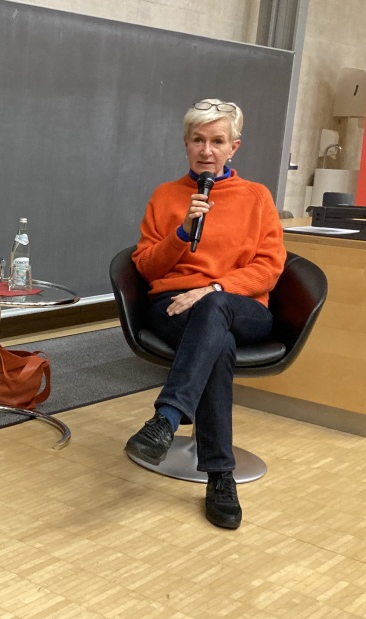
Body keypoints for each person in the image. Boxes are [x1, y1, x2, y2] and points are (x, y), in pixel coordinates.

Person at [124, 99, 286, 529]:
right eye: (198, 140)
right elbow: (146, 267)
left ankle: (166, 419)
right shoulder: (166, 196)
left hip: (241, 306)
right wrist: (181, 235)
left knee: (215, 309)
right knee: (219, 345)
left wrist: (212, 289)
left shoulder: (256, 197)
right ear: (186, 144)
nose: (207, 150)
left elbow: (269, 268)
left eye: (217, 141)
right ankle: (220, 474)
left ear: (234, 147)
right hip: (173, 306)